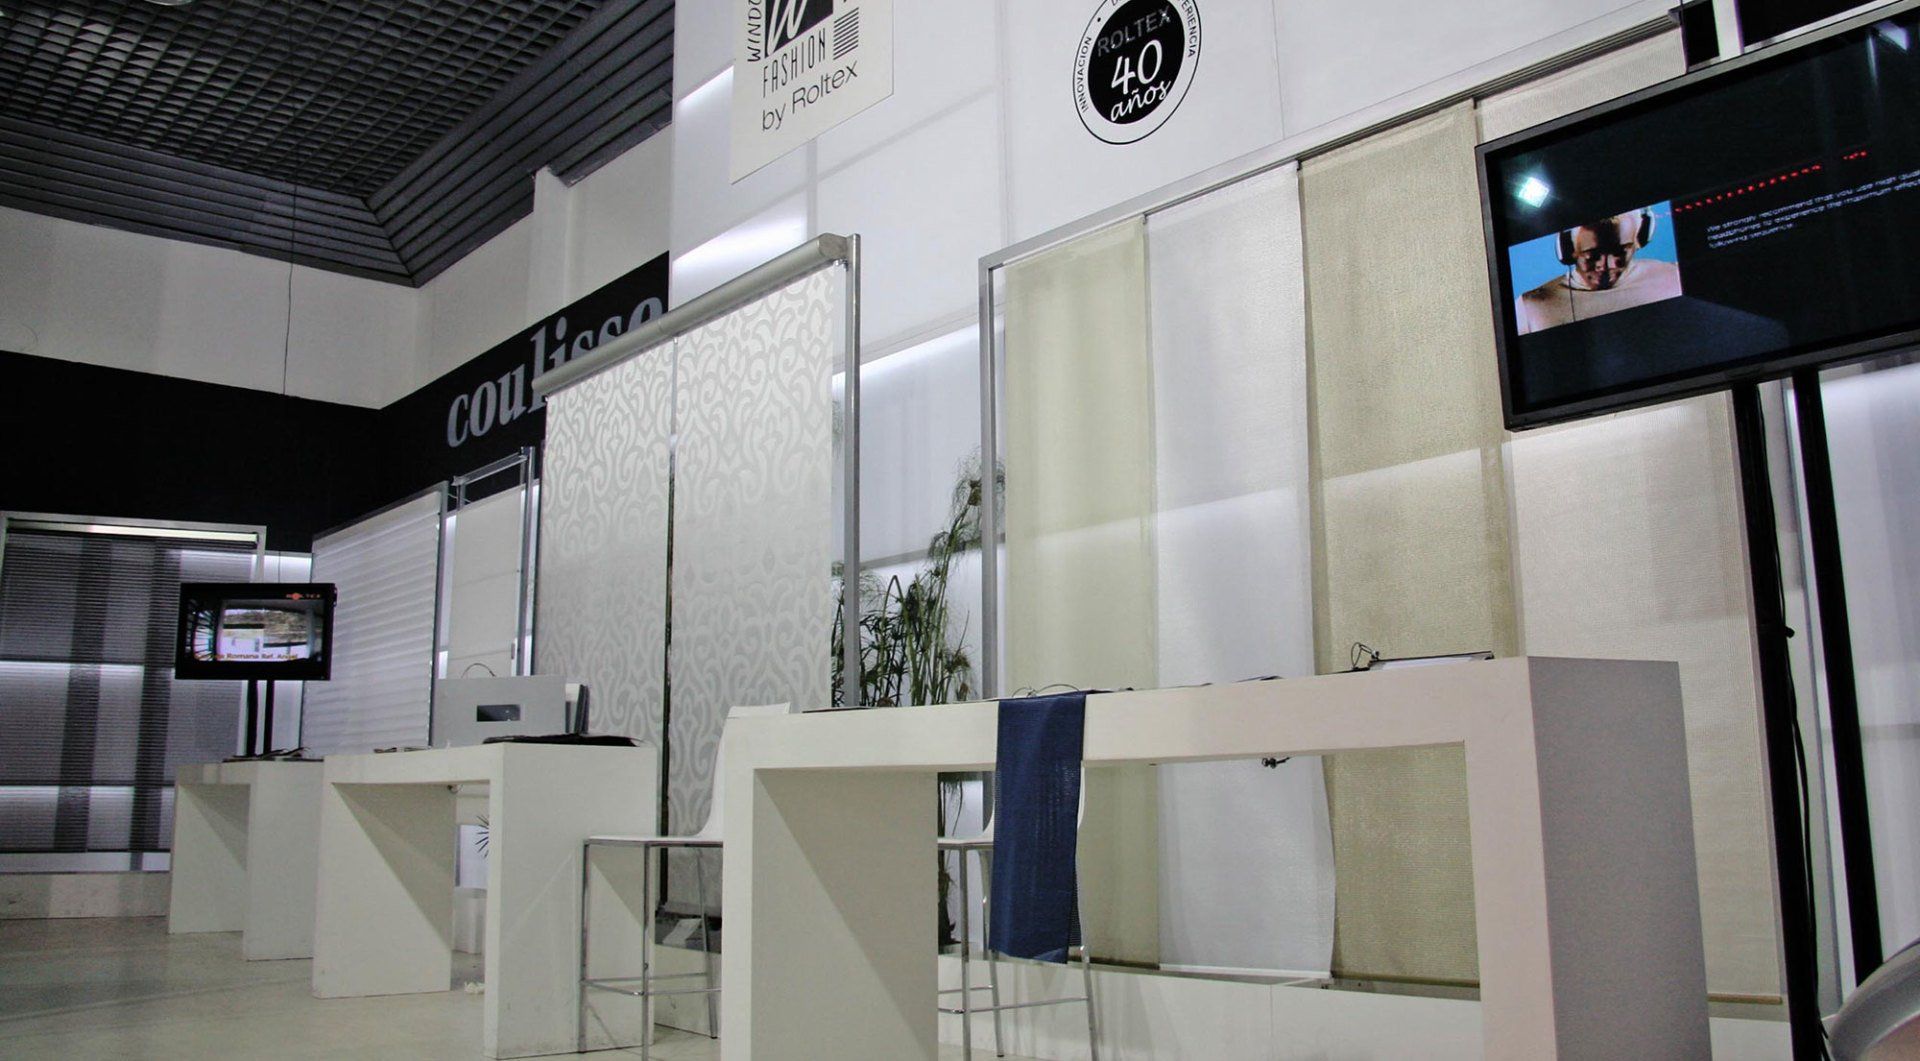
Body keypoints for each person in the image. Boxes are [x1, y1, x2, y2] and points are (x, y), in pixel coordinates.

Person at [1516, 210, 1682, 333]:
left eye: (1620, 252)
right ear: (1568, 249)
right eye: (1592, 256)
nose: (1606, 265)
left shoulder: (1675, 276)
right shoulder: (1529, 308)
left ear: (1640, 240)